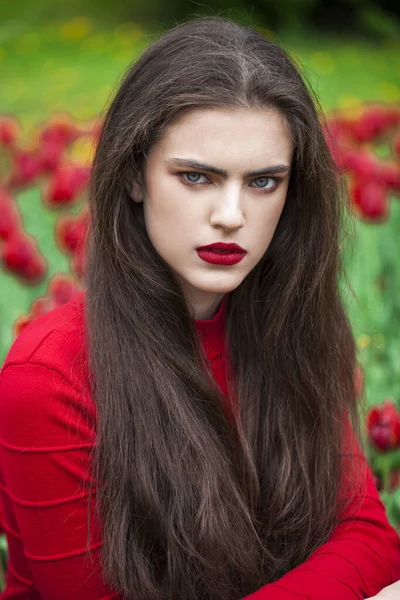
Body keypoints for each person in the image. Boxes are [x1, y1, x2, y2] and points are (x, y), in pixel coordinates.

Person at [0, 16, 399, 600]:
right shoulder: (51, 375)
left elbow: (370, 535)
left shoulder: (284, 325)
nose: (231, 215)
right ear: (135, 175)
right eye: (196, 177)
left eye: (263, 182)